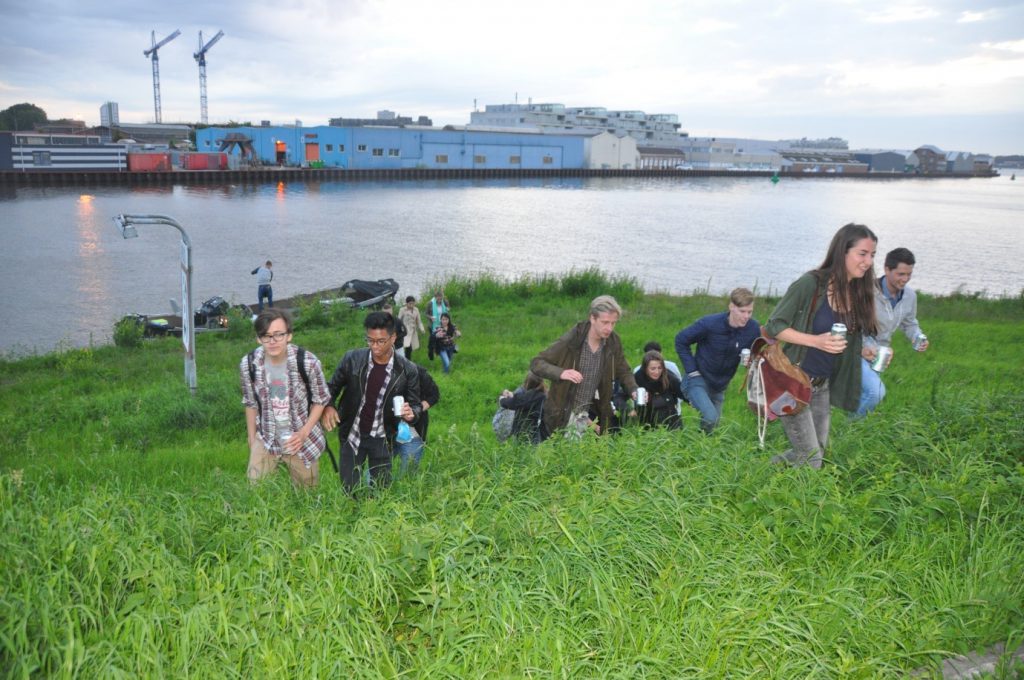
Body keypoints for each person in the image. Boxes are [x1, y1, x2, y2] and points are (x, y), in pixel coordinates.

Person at [765, 223, 878, 469]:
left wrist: (862, 352)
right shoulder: (811, 284)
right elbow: (774, 326)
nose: (868, 261)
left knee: (813, 451)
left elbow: (841, 341)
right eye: (862, 253)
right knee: (812, 459)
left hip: (822, 387)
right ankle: (792, 504)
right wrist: (815, 341)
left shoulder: (856, 292)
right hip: (794, 383)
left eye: (872, 255)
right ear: (842, 252)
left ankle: (764, 472)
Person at [322, 311, 421, 493]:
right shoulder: (352, 359)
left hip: (383, 437)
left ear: (393, 338)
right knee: (349, 490)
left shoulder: (408, 370)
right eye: (370, 340)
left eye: (381, 341)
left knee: (381, 489)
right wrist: (329, 405)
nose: (375, 346)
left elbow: (416, 406)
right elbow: (331, 387)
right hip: (352, 434)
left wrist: (411, 413)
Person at [239, 309, 331, 488]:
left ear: (289, 335)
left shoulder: (308, 362)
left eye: (278, 335)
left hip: (301, 438)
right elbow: (250, 403)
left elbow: (320, 400)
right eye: (266, 336)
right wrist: (252, 438)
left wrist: (303, 433)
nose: (272, 342)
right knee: (255, 489)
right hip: (266, 437)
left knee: (308, 493)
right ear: (259, 338)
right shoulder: (248, 364)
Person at [530, 295, 638, 439]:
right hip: (564, 412)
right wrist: (561, 373)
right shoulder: (572, 340)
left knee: (593, 457)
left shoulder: (613, 342)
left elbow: (623, 370)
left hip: (593, 413)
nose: (609, 328)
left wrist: (633, 390)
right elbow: (537, 363)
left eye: (613, 323)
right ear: (592, 318)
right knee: (564, 457)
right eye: (605, 322)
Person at [855, 247, 930, 418]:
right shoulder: (865, 291)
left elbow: (910, 323)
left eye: (909, 274)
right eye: (900, 274)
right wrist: (865, 347)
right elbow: (853, 325)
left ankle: (855, 432)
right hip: (857, 350)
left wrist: (917, 337)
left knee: (868, 394)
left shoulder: (910, 296)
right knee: (876, 393)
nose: (905, 279)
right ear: (887, 269)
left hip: (881, 354)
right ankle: (849, 429)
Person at [674, 287, 762, 433]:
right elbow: (681, 340)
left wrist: (751, 361)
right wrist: (692, 371)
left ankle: (698, 449)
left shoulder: (753, 329)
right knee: (710, 418)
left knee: (712, 428)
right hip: (698, 379)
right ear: (731, 307)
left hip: (720, 385)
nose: (746, 316)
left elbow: (756, 352)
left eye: (749, 312)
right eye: (742, 311)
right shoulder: (709, 324)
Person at [396, 364, 440, 473]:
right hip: (383, 432)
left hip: (413, 432)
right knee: (375, 475)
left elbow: (434, 395)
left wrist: (416, 410)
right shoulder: (372, 371)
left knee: (407, 475)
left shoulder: (416, 371)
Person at [625, 350, 685, 429]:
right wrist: (628, 409)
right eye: (653, 369)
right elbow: (619, 397)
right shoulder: (637, 378)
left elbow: (684, 393)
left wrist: (692, 401)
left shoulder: (669, 377)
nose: (657, 372)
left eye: (660, 368)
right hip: (646, 424)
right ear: (645, 368)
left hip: (671, 421)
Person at [499, 372, 547, 444]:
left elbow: (512, 403)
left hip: (527, 433)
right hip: (541, 432)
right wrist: (512, 395)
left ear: (528, 383)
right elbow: (520, 400)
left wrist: (502, 399)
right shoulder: (542, 395)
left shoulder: (530, 398)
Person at [397, 295, 426, 360]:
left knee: (410, 348)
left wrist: (422, 329)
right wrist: (399, 328)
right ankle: (406, 360)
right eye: (410, 303)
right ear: (407, 303)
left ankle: (406, 360)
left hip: (413, 331)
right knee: (407, 346)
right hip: (405, 331)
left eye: (413, 303)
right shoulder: (402, 310)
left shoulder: (416, 310)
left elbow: (419, 321)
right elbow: (398, 320)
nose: (411, 305)